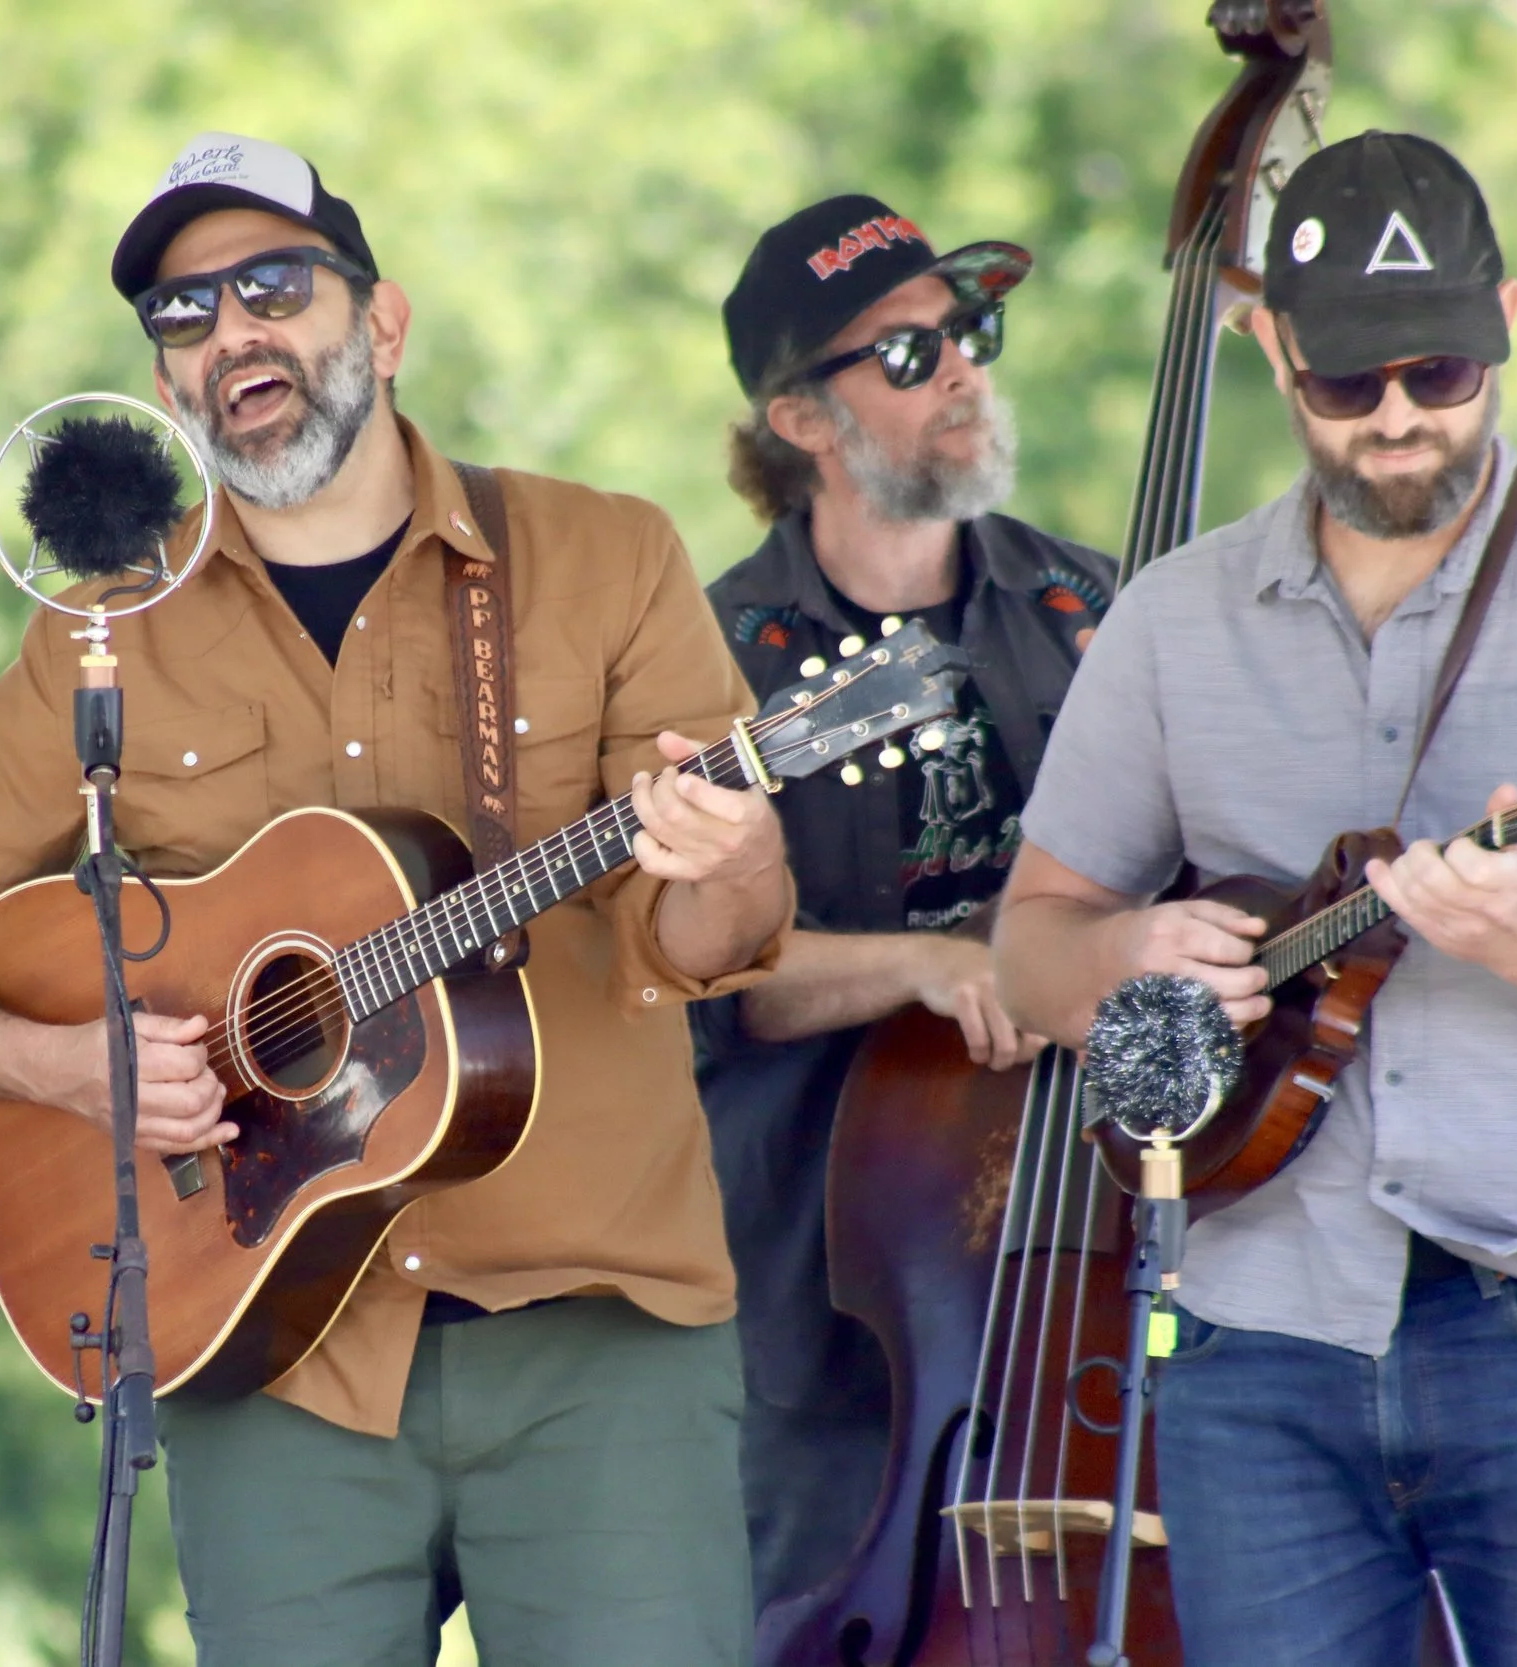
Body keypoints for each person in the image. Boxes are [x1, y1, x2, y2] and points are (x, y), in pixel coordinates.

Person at [0, 131, 792, 1667]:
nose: (231, 333)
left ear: (381, 322)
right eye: (185, 312)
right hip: (266, 1350)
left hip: (595, 1333)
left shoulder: (603, 557)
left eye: (274, 285)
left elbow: (708, 946)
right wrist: (64, 1065)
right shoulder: (104, 636)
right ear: (167, 378)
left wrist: (731, 859)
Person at [993, 131, 1517, 1666]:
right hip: (1258, 1330)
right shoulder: (1173, 619)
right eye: (1348, 379)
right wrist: (1127, 951)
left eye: (1441, 371)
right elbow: (1031, 946)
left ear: (1507, 320)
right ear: (1271, 348)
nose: (1397, 417)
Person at [691, 194, 1113, 1616]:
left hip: (1067, 1243)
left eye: (969, 331)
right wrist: (929, 965)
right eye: (910, 352)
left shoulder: (1089, 608)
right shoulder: (710, 657)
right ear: (802, 417)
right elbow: (711, 976)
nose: (963, 371)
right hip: (818, 1295)